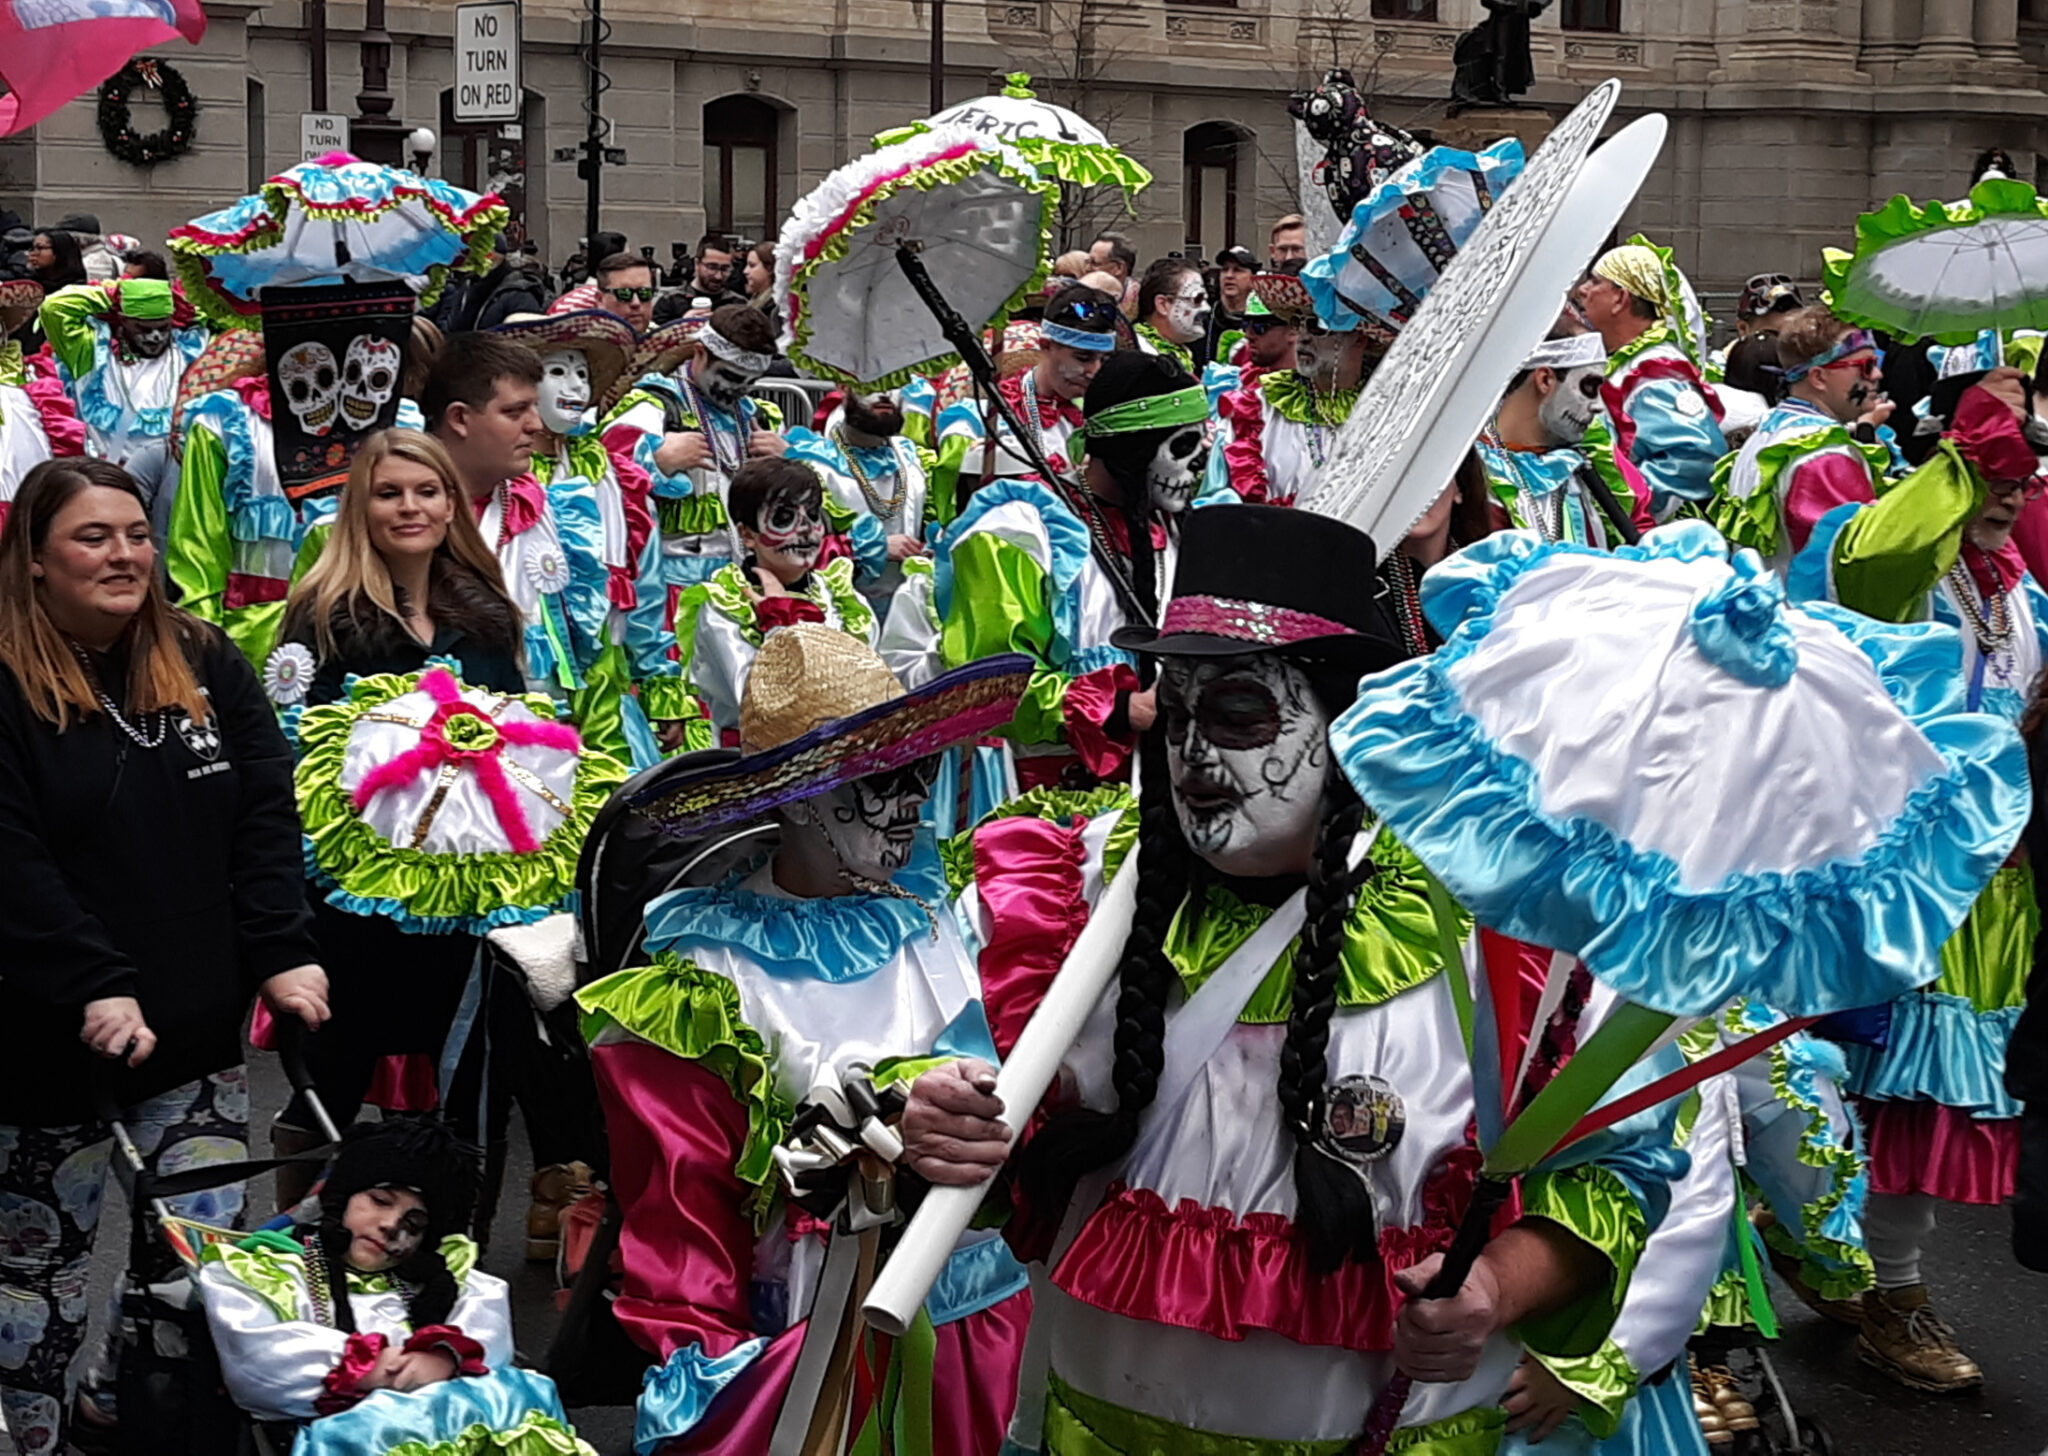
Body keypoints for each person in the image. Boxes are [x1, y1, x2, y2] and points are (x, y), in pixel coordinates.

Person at [903, 502, 1679, 1455]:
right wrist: (933, 1112)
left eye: (1236, 713)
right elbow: (956, 1086)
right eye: (1174, 710)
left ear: (1352, 723)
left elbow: (1608, 1172)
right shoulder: (1078, 889)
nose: (1190, 757)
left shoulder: (1493, 927)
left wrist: (1492, 1289)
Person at [577, 624, 1035, 1455]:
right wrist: (715, 1385)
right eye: (881, 780)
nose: (909, 806)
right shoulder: (705, 978)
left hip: (980, 1326)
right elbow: (682, 1214)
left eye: (920, 773)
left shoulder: (948, 914)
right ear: (793, 796)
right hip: (819, 1351)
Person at [0, 457, 328, 1456]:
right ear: (37, 562)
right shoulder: (8, 682)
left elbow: (265, 813)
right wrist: (93, 979)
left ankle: (140, 1412)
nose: (124, 554)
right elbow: (9, 856)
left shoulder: (201, 658)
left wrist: (282, 948)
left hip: (191, 1035)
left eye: (135, 533)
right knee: (38, 1299)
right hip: (43, 1047)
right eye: (92, 537)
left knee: (203, 1275)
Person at [1784, 367, 2042, 1393]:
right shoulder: (1893, 569)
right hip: (1882, 877)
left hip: (1986, 898)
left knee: (1919, 1105)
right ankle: (1857, 1273)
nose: (2015, 489)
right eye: (1996, 470)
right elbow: (1875, 555)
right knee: (1828, 1088)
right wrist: (1971, 449)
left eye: (2026, 472)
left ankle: (1881, 1280)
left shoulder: (2022, 593)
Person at [199, 1118, 597, 1456]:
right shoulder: (274, 1271)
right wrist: (375, 1367)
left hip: (453, 1432)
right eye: (379, 1200)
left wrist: (446, 1357)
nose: (392, 1225)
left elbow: (487, 1323)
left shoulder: (436, 1277)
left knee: (518, 1390)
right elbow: (259, 1359)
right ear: (341, 1198)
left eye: (414, 1224)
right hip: (345, 1436)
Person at [910, 351, 1207, 793]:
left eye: (1204, 444)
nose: (1200, 464)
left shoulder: (1173, 526)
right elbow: (992, 681)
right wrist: (1118, 708)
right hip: (1040, 794)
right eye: (1182, 446)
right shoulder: (1017, 531)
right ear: (1131, 450)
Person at [601, 305, 788, 738]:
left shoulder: (755, 418)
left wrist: (786, 459)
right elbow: (595, 475)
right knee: (684, 722)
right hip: (669, 594)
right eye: (729, 377)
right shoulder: (653, 406)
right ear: (700, 354)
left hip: (741, 590)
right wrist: (656, 460)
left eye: (748, 383)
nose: (736, 391)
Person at [493, 310, 657, 765]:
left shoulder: (604, 469)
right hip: (529, 669)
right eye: (557, 372)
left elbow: (642, 578)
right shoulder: (499, 476)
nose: (575, 388)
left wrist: (659, 679)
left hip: (604, 671)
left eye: (582, 374)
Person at [422, 333, 609, 702]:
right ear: (459, 418)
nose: (536, 425)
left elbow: (588, 660)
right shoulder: (392, 519)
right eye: (514, 412)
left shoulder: (555, 513)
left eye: (535, 408)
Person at [1709, 305, 1898, 576]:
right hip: (1808, 616)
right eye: (1865, 367)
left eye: (1876, 364)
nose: (1877, 376)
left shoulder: (1769, 428)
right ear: (1819, 377)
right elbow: (1852, 568)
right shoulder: (1824, 453)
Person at [1576, 237, 1728, 522]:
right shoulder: (1627, 363)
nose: (1583, 291)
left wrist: (1620, 507)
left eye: (1594, 282)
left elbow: (1696, 461)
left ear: (1621, 298)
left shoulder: (1656, 375)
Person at [1475, 316, 1653, 545]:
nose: (1599, 406)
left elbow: (1639, 525)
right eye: (1589, 387)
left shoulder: (1597, 455)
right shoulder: (1470, 471)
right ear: (1545, 380)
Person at [930, 284, 1118, 497]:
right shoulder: (986, 416)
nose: (1095, 371)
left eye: (1103, 359)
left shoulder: (1098, 416)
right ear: (1046, 345)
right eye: (1083, 358)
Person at [1210, 272, 1371, 507]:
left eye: (1317, 326)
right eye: (1298, 324)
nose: (1303, 337)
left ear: (1359, 338)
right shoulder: (1257, 406)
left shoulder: (1382, 410)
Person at [784, 383, 937, 606]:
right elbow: (792, 552)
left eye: (895, 385)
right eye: (872, 384)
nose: (885, 393)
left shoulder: (913, 459)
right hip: (840, 610)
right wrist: (871, 547)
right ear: (844, 389)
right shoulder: (815, 466)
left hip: (909, 608)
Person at [40, 277, 207, 467]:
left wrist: (184, 305)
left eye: (163, 328)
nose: (155, 337)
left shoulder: (189, 350)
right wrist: (113, 296)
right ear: (123, 320)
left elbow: (224, 315)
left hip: (174, 474)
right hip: (111, 475)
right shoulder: (92, 351)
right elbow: (53, 308)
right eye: (144, 329)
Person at [1131, 257, 1209, 376]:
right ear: (1163, 304)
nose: (1206, 308)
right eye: (1197, 299)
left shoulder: (1183, 353)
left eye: (1205, 300)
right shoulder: (1139, 356)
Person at [586, 250, 661, 335]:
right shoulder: (582, 343)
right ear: (600, 299)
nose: (636, 303)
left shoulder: (666, 340)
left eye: (644, 293)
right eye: (624, 294)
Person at [1207, 245, 1257, 363]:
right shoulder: (1205, 318)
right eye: (1225, 269)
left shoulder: (1261, 322)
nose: (1229, 275)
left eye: (1238, 270)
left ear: (1254, 278)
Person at [691, 234, 747, 310]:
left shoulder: (739, 304)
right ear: (697, 263)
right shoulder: (673, 301)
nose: (718, 276)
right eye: (712, 267)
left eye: (725, 269)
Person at [1087, 230, 1138, 312]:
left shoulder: (1145, 304)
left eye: (1094, 263)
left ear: (1118, 268)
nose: (1087, 268)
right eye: (1087, 262)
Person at [742, 238, 776, 315]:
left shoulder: (776, 309)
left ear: (770, 268)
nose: (745, 271)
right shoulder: (756, 301)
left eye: (752, 265)